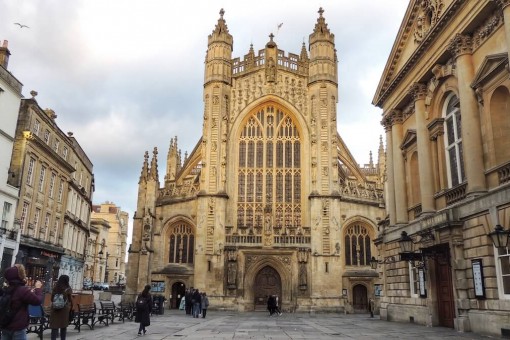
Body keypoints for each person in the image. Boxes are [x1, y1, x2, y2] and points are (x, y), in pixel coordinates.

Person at [0, 264, 43, 340]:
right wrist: (38, 289)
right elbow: (38, 301)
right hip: (18, 328)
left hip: (5, 324)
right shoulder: (22, 290)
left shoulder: (7, 288)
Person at [49, 275, 73, 340]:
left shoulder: (55, 288)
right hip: (64, 311)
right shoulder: (68, 288)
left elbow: (51, 299)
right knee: (63, 328)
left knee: (54, 328)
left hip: (55, 310)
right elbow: (70, 300)